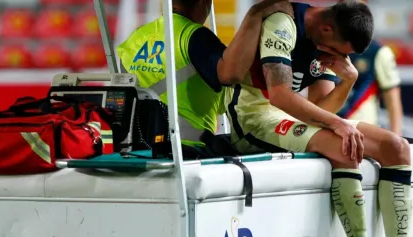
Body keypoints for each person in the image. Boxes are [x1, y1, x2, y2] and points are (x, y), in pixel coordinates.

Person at [223, 0, 413, 237]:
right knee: (344, 145)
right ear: (327, 29)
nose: (343, 57)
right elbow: (279, 95)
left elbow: (320, 109)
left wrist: (348, 80)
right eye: (344, 52)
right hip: (254, 117)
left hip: (289, 118)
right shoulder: (283, 23)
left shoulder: (327, 41)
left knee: (396, 147)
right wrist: (337, 124)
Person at [117, 0, 293, 142]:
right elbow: (231, 74)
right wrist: (256, 13)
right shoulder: (194, 35)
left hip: (136, 141)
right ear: (202, 3)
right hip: (185, 145)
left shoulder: (137, 36)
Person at [337, 39, 404, 135]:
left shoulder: (379, 52)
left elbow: (393, 102)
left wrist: (397, 136)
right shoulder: (324, 47)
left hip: (365, 133)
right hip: (330, 130)